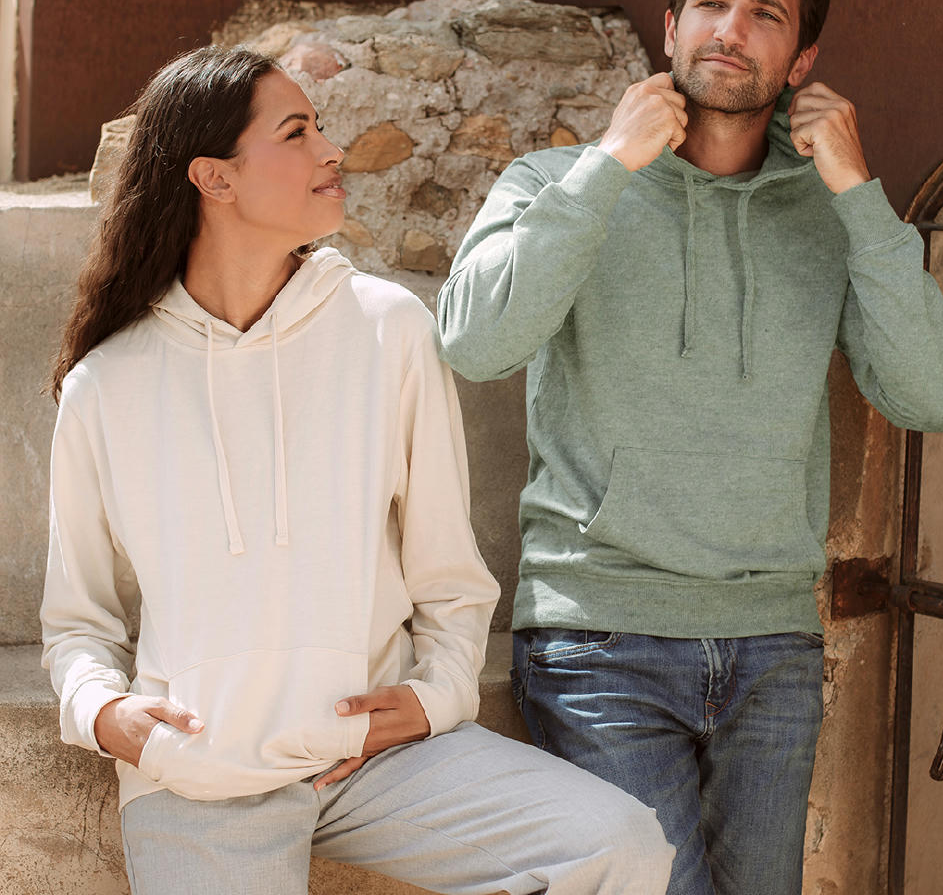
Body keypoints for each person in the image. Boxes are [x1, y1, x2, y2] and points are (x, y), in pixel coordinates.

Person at [39, 45, 674, 895]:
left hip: (377, 760)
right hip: (199, 778)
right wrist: (107, 716)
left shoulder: (388, 329)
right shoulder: (106, 384)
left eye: (322, 127)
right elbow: (78, 621)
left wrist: (437, 696)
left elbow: (449, 576)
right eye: (296, 133)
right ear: (213, 178)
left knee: (617, 846)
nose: (331, 150)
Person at [437, 0, 943, 895]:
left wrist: (858, 193)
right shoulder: (557, 182)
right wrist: (607, 166)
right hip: (599, 637)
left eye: (764, 15)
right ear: (671, 26)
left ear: (802, 58)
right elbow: (474, 341)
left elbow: (937, 395)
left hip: (772, 646)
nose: (731, 30)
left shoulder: (830, 211)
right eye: (711, 5)